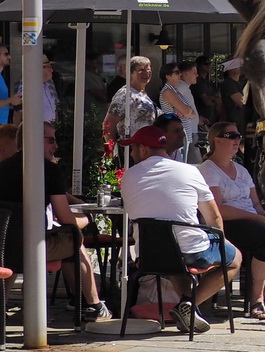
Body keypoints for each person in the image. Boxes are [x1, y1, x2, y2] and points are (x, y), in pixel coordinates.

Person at [117, 125, 239, 333]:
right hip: (190, 252)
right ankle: (188, 304)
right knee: (235, 259)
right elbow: (214, 217)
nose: (132, 153)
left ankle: (186, 306)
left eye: (134, 148)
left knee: (173, 256)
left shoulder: (128, 176)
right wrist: (222, 241)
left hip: (148, 254)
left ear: (143, 149)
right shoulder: (190, 171)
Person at [0, 122, 105, 319]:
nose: (55, 146)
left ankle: (2, 305)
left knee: (14, 244)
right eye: (50, 140)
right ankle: (93, 305)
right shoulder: (47, 170)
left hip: (4, 248)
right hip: (35, 247)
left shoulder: (3, 168)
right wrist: (88, 218)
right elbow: (66, 219)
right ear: (32, 139)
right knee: (75, 240)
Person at [199, 121, 265, 320]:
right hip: (226, 223)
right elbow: (218, 209)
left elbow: (256, 202)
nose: (237, 140)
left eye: (238, 136)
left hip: (251, 219)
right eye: (231, 136)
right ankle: (256, 299)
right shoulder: (208, 170)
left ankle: (261, 294)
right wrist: (256, 218)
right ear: (217, 140)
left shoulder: (240, 169)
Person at [103, 56, 158, 159]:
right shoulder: (125, 94)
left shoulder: (142, 93)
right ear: (131, 73)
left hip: (146, 149)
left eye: (148, 70)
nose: (146, 73)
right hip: (131, 151)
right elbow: (108, 124)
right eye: (141, 70)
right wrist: (110, 151)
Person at [156, 59, 200, 160]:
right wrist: (187, 112)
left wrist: (187, 112)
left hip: (183, 134)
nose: (180, 74)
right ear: (168, 76)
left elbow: (192, 113)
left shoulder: (175, 91)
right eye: (176, 73)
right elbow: (187, 111)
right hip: (175, 135)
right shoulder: (167, 91)